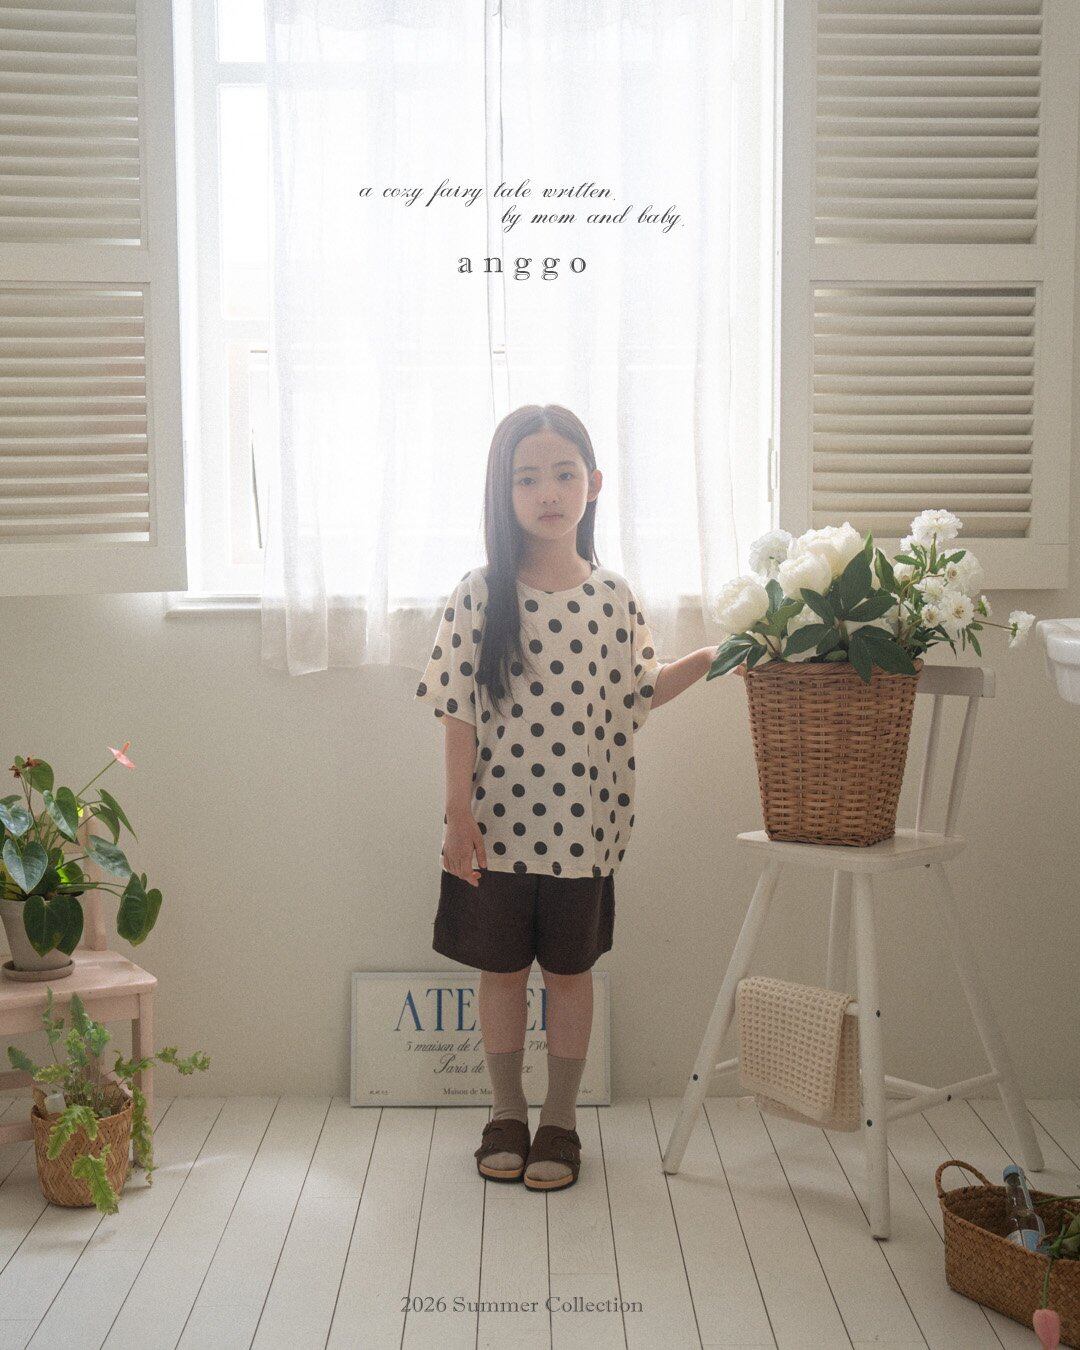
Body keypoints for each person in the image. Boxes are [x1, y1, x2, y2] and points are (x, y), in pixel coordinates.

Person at [415, 404, 719, 1191]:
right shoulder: (480, 593)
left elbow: (641, 692)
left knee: (570, 976)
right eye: (527, 478)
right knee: (501, 974)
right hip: (496, 831)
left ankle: (560, 1119)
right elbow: (456, 710)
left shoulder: (613, 596)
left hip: (586, 833)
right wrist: (456, 815)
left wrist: (712, 658)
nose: (547, 492)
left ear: (594, 483)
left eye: (562, 474)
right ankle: (505, 1111)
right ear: (503, 491)